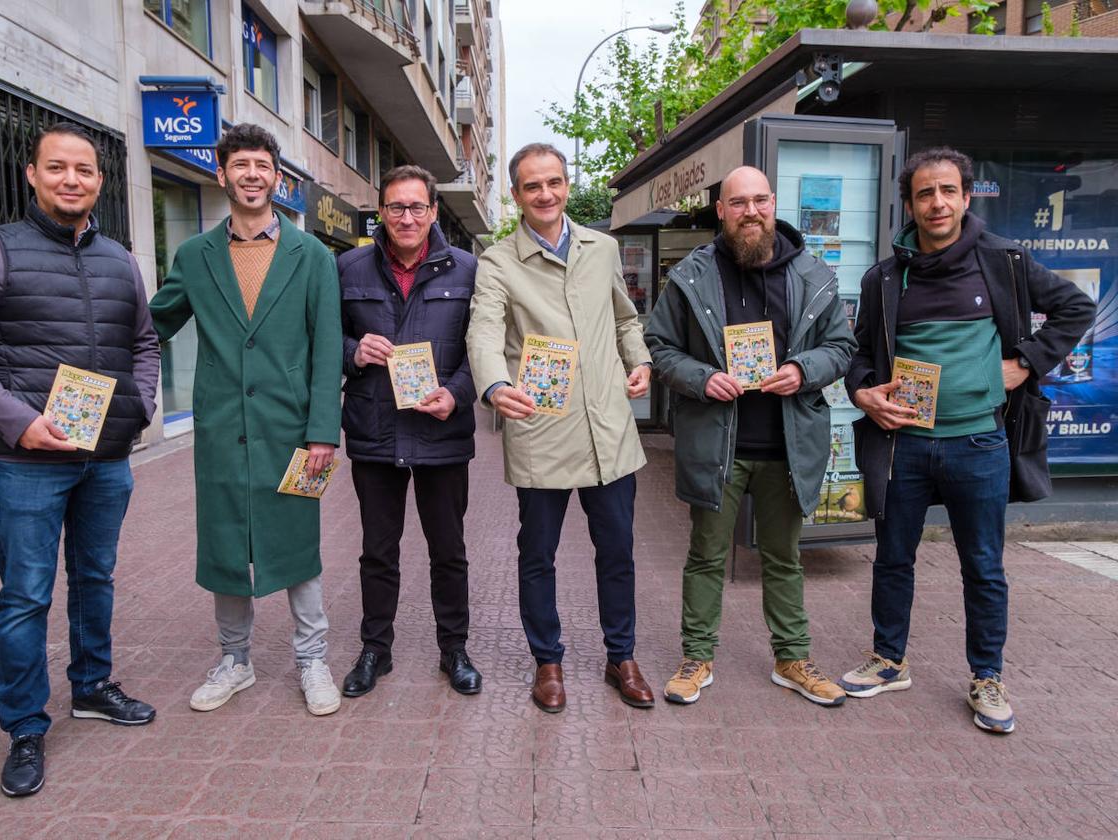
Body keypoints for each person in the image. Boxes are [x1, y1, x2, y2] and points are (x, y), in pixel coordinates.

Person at [840, 147, 1096, 734]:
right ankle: (888, 659)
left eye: (948, 191)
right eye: (925, 193)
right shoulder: (884, 276)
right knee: (892, 559)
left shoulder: (1003, 261)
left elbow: (1073, 307)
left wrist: (1027, 361)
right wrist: (863, 394)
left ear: (965, 195)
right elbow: (858, 355)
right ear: (909, 203)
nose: (937, 203)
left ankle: (986, 676)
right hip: (902, 444)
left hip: (979, 443)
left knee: (982, 567)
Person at [0, 122, 160, 797]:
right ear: (31, 175)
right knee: (26, 595)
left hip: (107, 458)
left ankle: (92, 687)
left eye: (85, 170)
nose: (72, 179)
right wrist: (20, 422)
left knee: (96, 578)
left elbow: (144, 343)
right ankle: (25, 727)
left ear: (99, 180)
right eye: (57, 168)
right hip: (27, 460)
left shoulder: (120, 258)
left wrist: (141, 406)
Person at [150, 124, 343, 718]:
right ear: (222, 175)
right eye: (241, 165)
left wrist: (321, 433)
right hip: (221, 431)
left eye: (262, 165)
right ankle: (236, 660)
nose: (252, 174)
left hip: (292, 432)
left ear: (276, 177)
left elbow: (327, 349)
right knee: (227, 541)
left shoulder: (310, 256)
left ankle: (312, 659)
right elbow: (152, 323)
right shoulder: (194, 255)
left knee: (297, 545)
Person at [645, 165, 855, 708]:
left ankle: (792, 658)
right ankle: (697, 657)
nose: (751, 212)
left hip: (788, 444)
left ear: (774, 203)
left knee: (784, 557)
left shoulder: (811, 274)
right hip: (719, 444)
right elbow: (660, 345)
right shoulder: (693, 275)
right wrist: (701, 377)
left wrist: (805, 370)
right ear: (721, 210)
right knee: (706, 556)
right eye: (738, 203)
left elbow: (842, 347)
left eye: (760, 201)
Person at [466, 143, 654, 713]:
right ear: (517, 195)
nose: (544, 194)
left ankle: (621, 656)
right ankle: (547, 660)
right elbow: (484, 332)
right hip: (541, 428)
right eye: (531, 186)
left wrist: (639, 358)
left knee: (617, 551)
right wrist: (496, 387)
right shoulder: (498, 261)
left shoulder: (603, 248)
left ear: (567, 185)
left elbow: (625, 317)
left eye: (553, 182)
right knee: (537, 554)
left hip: (608, 430)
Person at [337, 165, 481, 697]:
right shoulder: (349, 267)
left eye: (417, 207)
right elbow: (321, 339)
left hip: (442, 432)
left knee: (449, 549)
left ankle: (454, 649)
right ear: (381, 212)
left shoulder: (468, 270)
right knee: (378, 550)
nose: (406, 217)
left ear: (434, 212)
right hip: (375, 432)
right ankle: (376, 649)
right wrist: (353, 351)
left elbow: (483, 348)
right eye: (396, 207)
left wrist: (459, 393)